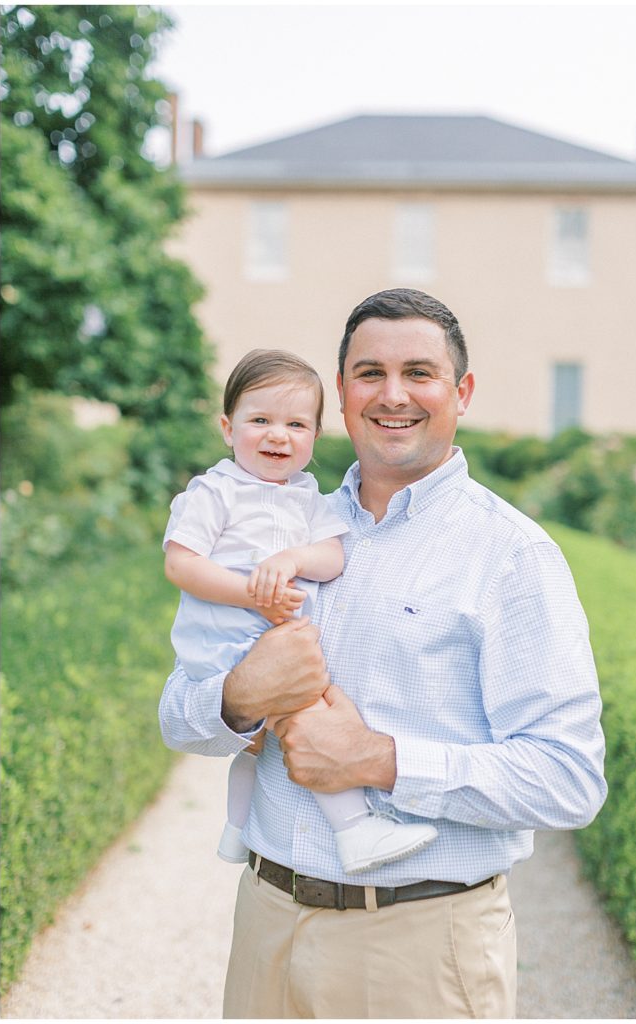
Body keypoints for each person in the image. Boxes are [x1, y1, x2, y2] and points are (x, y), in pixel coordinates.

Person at [159, 289, 607, 1020]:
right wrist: (239, 695)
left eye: (420, 373)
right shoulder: (283, 522)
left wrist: (377, 759)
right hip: (266, 924)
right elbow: (179, 719)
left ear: (461, 392)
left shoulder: (511, 555)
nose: (393, 394)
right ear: (340, 394)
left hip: (421, 945)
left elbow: (569, 779)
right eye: (369, 372)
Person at [163, 348, 437, 875]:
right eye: (259, 420)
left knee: (257, 743)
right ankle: (355, 831)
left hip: (270, 633)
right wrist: (252, 594)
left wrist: (292, 558)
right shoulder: (215, 492)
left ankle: (237, 830)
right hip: (229, 639)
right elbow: (182, 564)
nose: (277, 435)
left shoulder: (310, 497)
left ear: (315, 436)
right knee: (307, 717)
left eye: (295, 424)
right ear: (227, 427)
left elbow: (331, 558)